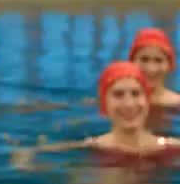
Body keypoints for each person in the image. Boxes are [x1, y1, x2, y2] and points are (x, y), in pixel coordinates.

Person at [11, 61, 180, 170]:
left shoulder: (172, 148)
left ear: (147, 101)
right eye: (118, 94)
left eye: (136, 94)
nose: (129, 104)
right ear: (104, 104)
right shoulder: (91, 146)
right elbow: (28, 154)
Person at [128, 28, 180, 110]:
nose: (151, 69)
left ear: (170, 65)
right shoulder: (118, 102)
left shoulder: (177, 103)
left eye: (158, 60)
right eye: (144, 59)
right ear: (132, 62)